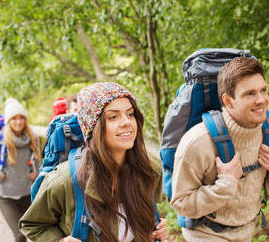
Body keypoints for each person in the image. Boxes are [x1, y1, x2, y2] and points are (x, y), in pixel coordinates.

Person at [19, 82, 168, 242]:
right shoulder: (64, 181)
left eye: (130, 114)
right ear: (93, 127)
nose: (126, 122)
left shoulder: (150, 169)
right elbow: (32, 224)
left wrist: (157, 230)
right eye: (113, 117)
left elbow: (153, 212)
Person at [170, 57, 269, 242]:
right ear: (228, 100)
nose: (261, 100)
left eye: (263, 90)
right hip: (205, 233)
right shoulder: (198, 142)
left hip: (247, 230)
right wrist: (226, 184)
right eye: (250, 94)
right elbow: (181, 203)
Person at [0, 98, 40, 242]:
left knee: (33, 231)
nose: (18, 121)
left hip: (27, 193)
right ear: (8, 121)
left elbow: (37, 159)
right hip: (6, 196)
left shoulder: (32, 138)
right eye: (14, 118)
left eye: (21, 117)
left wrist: (37, 173)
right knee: (19, 235)